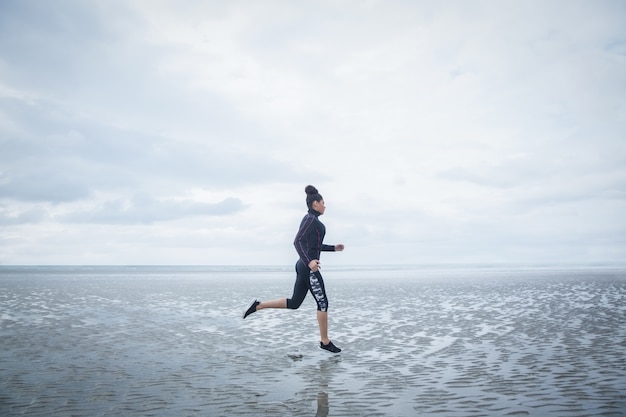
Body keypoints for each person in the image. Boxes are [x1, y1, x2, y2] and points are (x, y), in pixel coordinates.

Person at [243, 185, 344, 353]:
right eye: (323, 202)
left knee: (295, 302)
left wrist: (334, 248)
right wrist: (309, 262)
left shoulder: (314, 220)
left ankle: (259, 305)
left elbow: (314, 246)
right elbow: (297, 241)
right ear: (315, 204)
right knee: (323, 303)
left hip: (304, 266)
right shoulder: (310, 219)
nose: (325, 206)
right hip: (307, 267)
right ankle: (325, 342)